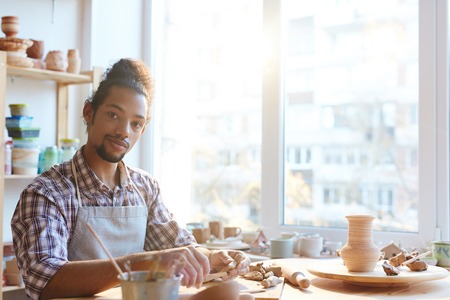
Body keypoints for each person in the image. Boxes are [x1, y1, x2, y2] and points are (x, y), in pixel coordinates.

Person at [11, 58, 250, 300]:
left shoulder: (144, 187)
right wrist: (145, 262)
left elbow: (178, 246)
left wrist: (210, 257)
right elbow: (45, 281)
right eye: (114, 115)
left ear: (142, 130)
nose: (124, 131)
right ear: (88, 112)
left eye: (136, 123)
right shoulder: (46, 193)